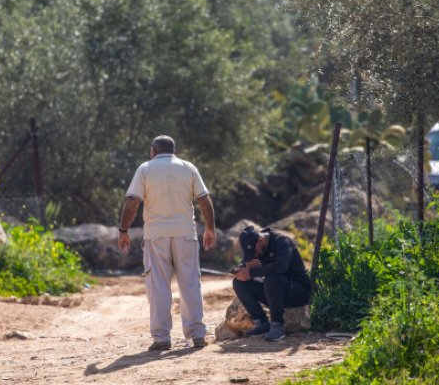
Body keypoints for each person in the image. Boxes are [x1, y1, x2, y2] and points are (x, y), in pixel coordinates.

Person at [118, 135, 217, 351]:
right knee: (190, 282)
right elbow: (203, 198)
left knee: (158, 286)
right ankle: (197, 334)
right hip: (185, 233)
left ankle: (162, 338)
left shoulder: (145, 168)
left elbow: (132, 201)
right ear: (173, 150)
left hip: (156, 235)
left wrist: (124, 230)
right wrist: (210, 228)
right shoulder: (188, 167)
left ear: (153, 150)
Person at [232, 225, 312, 341]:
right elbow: (245, 264)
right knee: (239, 283)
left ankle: (277, 324)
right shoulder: (256, 249)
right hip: (275, 294)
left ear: (260, 240)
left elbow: (281, 267)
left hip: (298, 292)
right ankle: (261, 322)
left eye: (255, 251)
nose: (255, 255)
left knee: (272, 278)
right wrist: (240, 271)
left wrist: (253, 272)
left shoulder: (283, 241)